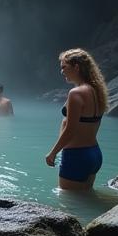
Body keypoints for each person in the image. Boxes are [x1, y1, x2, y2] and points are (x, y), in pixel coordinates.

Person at [46, 47, 108, 191]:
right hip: (94, 153)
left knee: (69, 203)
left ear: (77, 67)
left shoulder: (76, 93)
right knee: (85, 197)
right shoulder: (97, 90)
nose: (62, 71)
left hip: (76, 155)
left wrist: (53, 152)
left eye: (64, 67)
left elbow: (70, 130)